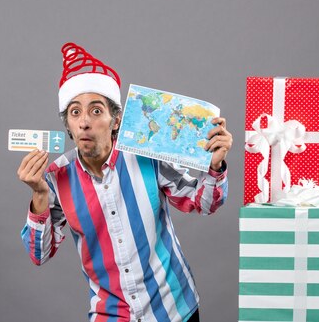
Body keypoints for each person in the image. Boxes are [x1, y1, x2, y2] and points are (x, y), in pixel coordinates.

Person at [17, 43, 232, 322]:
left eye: (96, 111)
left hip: (174, 309)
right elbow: (39, 254)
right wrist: (38, 194)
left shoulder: (146, 154)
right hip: (111, 314)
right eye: (74, 113)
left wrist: (215, 165)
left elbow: (204, 203)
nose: (84, 122)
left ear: (116, 119)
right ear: (67, 125)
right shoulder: (56, 178)